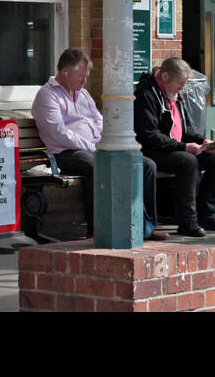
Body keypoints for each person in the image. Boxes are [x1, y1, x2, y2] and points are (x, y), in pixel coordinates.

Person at [31, 48, 166, 240]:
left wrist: (107, 142)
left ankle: (145, 227)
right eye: (81, 77)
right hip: (66, 154)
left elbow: (99, 120)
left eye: (86, 77)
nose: (84, 82)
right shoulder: (47, 95)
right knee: (98, 165)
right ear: (65, 72)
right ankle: (96, 229)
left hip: (96, 148)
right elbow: (58, 132)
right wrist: (93, 147)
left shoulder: (83, 94)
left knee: (145, 165)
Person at [134, 57, 215, 237]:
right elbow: (150, 135)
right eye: (180, 83)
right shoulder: (146, 95)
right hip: (153, 151)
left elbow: (185, 128)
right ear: (164, 77)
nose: (182, 88)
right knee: (188, 161)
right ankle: (187, 221)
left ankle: (207, 215)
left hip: (174, 147)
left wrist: (203, 141)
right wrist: (184, 147)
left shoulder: (175, 96)